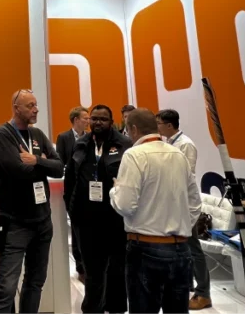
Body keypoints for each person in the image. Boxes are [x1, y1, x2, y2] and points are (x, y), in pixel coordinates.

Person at [110, 108, 201, 314]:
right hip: (181, 249)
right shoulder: (178, 154)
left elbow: (125, 205)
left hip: (145, 248)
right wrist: (181, 226)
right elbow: (195, 203)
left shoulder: (133, 155)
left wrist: (114, 190)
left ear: (133, 129)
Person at [0, 90, 64, 314]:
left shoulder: (38, 134)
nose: (36, 109)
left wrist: (36, 160)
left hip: (43, 221)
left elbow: (60, 167)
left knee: (35, 282)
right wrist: (43, 165)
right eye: (30, 105)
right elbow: (18, 172)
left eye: (36, 104)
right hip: (15, 223)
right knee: (7, 288)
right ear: (16, 108)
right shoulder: (2, 135)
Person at [64, 104, 131, 314]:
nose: (97, 122)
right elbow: (71, 179)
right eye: (94, 118)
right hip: (86, 219)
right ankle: (92, 309)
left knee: (117, 270)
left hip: (115, 218)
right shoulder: (81, 144)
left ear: (111, 122)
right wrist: (72, 209)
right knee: (92, 270)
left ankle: (117, 308)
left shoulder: (124, 144)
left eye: (102, 119)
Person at [157, 109, 211, 311]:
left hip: (186, 205)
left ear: (169, 125)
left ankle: (204, 293)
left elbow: (184, 175)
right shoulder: (169, 143)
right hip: (174, 204)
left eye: (159, 123)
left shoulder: (185, 144)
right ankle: (188, 286)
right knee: (183, 248)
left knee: (193, 249)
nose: (158, 127)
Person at [55, 106, 90, 282]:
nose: (88, 121)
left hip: (88, 187)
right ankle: (80, 267)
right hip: (70, 186)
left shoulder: (91, 138)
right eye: (85, 118)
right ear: (76, 120)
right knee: (75, 229)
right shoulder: (64, 137)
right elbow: (59, 160)